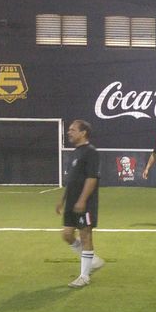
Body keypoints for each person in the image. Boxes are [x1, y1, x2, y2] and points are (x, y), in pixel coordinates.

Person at [56, 119, 105, 288]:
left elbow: (92, 178)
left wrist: (83, 200)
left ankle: (84, 276)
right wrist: (62, 200)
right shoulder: (74, 153)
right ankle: (93, 260)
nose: (69, 132)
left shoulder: (91, 152)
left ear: (83, 132)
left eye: (72, 130)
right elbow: (71, 180)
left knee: (85, 236)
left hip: (85, 203)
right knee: (67, 235)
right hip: (71, 203)